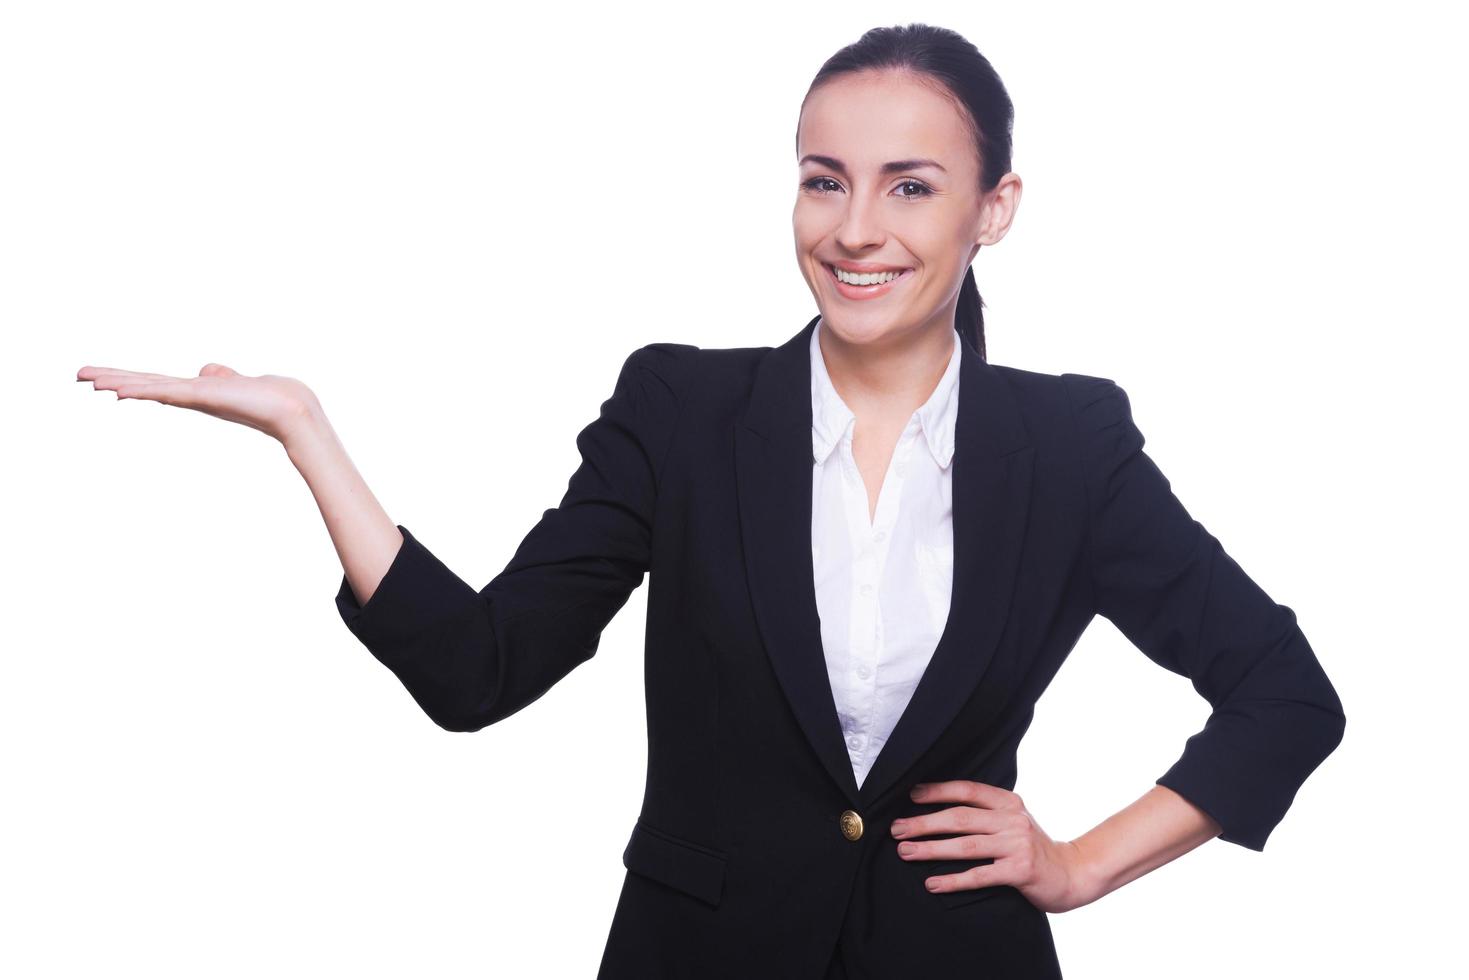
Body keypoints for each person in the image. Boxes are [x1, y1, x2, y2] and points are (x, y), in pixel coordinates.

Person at [76, 22, 1345, 980]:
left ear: (991, 209)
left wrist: (1075, 864)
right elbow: (478, 669)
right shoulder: (680, 410)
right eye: (821, 178)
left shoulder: (1066, 443)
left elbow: (1286, 693)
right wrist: (309, 434)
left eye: (909, 184)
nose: (854, 227)